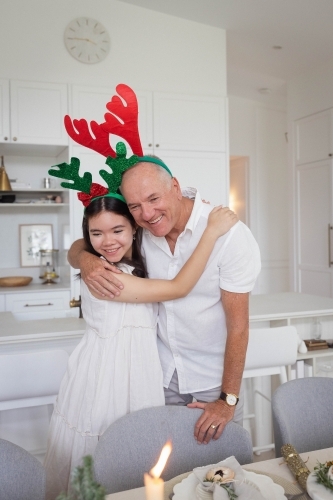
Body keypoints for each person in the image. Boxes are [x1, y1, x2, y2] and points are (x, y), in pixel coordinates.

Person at [44, 191, 238, 499]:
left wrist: (82, 254)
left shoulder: (130, 264)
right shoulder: (106, 274)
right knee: (105, 451)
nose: (107, 241)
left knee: (137, 452)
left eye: (117, 230)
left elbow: (77, 249)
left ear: (135, 229)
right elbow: (179, 287)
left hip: (139, 370)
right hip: (105, 374)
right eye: (97, 233)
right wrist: (212, 232)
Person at [68, 158, 261, 447]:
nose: (147, 213)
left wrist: (227, 399)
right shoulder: (139, 229)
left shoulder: (228, 235)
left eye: (154, 198)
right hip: (157, 378)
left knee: (222, 471)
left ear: (175, 187)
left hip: (211, 381)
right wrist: (85, 261)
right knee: (165, 473)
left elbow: (239, 327)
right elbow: (88, 239)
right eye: (135, 206)